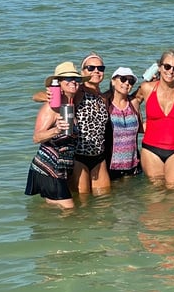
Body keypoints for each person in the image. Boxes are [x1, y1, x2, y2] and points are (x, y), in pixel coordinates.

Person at [32, 51, 111, 195]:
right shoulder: (77, 91)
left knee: (104, 200)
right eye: (91, 68)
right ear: (83, 71)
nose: (96, 71)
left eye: (100, 68)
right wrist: (46, 96)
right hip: (79, 157)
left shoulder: (103, 97)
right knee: (82, 200)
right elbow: (38, 96)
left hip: (99, 157)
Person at [25, 62, 88, 209]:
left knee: (56, 208)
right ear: (59, 83)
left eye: (76, 79)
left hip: (61, 169)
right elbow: (36, 137)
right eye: (68, 79)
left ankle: (41, 218)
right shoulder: (51, 107)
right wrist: (56, 130)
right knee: (69, 210)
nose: (73, 82)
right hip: (48, 168)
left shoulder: (71, 104)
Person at [134, 50, 174, 187]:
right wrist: (138, 125)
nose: (171, 71)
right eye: (167, 66)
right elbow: (131, 103)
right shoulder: (146, 88)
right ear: (159, 67)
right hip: (151, 149)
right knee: (156, 191)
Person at [105, 67, 142, 180]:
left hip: (133, 165)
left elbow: (141, 128)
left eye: (131, 81)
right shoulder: (105, 103)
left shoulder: (134, 103)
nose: (127, 83)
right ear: (113, 81)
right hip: (111, 166)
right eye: (123, 79)